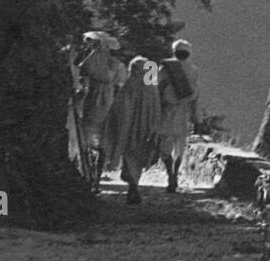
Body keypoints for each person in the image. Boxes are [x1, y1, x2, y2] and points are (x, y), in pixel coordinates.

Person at [102, 56, 161, 205]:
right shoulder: (152, 88)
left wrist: (116, 123)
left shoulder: (130, 85)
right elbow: (156, 110)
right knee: (138, 158)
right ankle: (133, 187)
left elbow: (119, 107)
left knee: (129, 157)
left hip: (129, 129)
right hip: (146, 131)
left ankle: (132, 188)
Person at [73, 32, 125, 191]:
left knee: (86, 141)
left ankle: (87, 176)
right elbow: (120, 84)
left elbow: (80, 76)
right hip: (108, 104)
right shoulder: (117, 65)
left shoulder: (89, 62)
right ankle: (96, 179)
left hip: (90, 103)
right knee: (104, 142)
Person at [157, 39, 199, 193]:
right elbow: (195, 96)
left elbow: (154, 85)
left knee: (165, 145)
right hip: (184, 114)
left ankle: (170, 176)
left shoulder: (166, 67)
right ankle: (175, 173)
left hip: (167, 112)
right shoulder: (193, 70)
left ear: (173, 52)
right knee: (180, 146)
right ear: (188, 53)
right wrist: (196, 117)